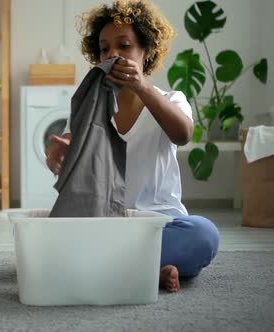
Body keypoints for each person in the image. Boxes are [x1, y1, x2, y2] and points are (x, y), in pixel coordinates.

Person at [46, 0, 219, 292]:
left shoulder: (171, 99)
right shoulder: (89, 108)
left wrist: (142, 88)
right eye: (104, 48)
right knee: (51, 240)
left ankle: (119, 268)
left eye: (124, 46)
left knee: (203, 235)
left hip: (158, 223)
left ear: (147, 51)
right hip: (103, 222)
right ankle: (147, 268)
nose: (112, 54)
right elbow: (69, 155)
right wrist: (58, 159)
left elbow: (183, 134)